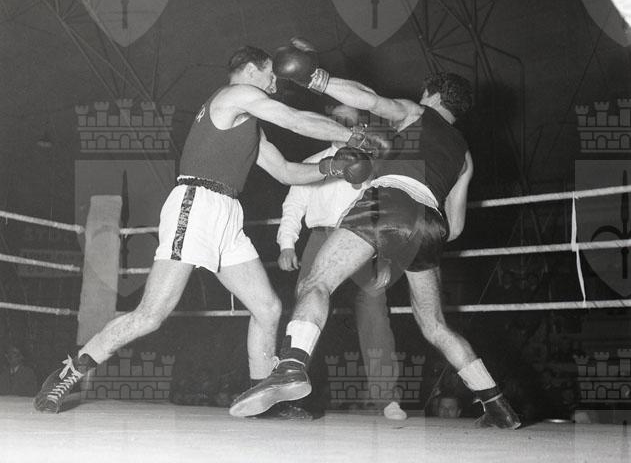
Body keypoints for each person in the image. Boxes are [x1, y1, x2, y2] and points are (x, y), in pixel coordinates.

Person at [34, 45, 382, 414]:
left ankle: (262, 397)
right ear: (252, 69)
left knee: (267, 308)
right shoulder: (235, 95)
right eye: (270, 74)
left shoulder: (248, 122)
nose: (275, 82)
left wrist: (331, 167)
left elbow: (285, 172)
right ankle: (68, 372)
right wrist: (353, 137)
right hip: (196, 205)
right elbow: (295, 120)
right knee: (151, 314)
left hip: (227, 213)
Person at [229, 39, 521, 429]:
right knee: (434, 324)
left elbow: (369, 99)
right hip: (430, 226)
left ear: (432, 95)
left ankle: (291, 368)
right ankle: (497, 404)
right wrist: (408, 236)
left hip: (389, 202)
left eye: (424, 94)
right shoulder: (465, 157)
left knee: (317, 282)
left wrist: (316, 79)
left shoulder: (417, 112)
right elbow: (455, 229)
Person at [277, 104, 406, 420]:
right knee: (305, 315)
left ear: (361, 126)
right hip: (319, 239)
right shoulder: (313, 163)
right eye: (336, 120)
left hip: (363, 242)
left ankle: (387, 398)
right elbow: (293, 206)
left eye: (349, 120)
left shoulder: (375, 165)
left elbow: (386, 210)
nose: (343, 125)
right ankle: (291, 395)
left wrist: (386, 255)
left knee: (375, 316)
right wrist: (286, 244)